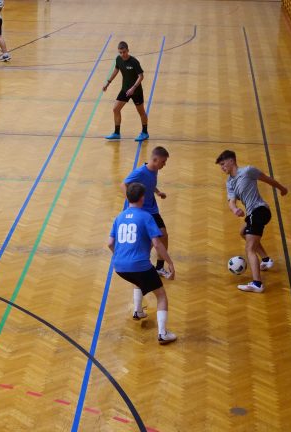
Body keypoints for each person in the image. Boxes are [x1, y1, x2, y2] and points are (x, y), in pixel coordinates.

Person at [108, 182, 177, 345]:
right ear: (142, 198)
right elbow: (158, 243)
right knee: (161, 295)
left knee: (137, 279)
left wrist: (120, 256)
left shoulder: (119, 217)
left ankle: (138, 311)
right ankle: (162, 334)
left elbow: (110, 243)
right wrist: (170, 263)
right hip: (139, 265)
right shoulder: (146, 216)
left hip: (119, 266)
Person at [215, 150, 288, 293]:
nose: (222, 168)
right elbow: (231, 201)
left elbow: (267, 179)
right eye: (220, 166)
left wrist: (282, 188)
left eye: (223, 164)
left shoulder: (248, 171)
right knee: (243, 232)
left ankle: (257, 284)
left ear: (231, 161)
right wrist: (235, 209)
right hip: (252, 214)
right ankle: (266, 260)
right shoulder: (229, 182)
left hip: (259, 210)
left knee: (250, 249)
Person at [122, 146, 171, 278]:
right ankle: (140, 266)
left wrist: (158, 192)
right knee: (147, 241)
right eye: (163, 162)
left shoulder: (154, 169)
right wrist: (131, 202)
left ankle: (159, 267)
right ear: (155, 159)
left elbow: (150, 184)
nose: (164, 164)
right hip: (141, 211)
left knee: (164, 235)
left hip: (152, 209)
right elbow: (124, 184)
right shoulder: (139, 172)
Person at [102, 41, 148, 142]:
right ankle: (116, 133)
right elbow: (116, 70)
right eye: (120, 52)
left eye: (124, 52)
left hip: (136, 92)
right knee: (115, 109)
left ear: (128, 50)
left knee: (141, 112)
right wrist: (108, 83)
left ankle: (145, 132)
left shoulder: (134, 62)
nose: (122, 54)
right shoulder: (118, 59)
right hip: (125, 90)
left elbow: (141, 76)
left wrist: (133, 88)